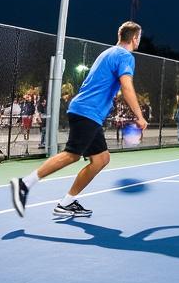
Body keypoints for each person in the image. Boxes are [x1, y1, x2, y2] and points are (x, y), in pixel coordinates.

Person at [10, 22, 148, 219]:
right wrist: (140, 116)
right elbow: (127, 87)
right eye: (139, 37)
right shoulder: (125, 56)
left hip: (88, 111)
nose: (139, 40)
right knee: (71, 155)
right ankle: (24, 184)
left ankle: (65, 203)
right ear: (135, 38)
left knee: (101, 159)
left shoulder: (108, 53)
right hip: (87, 111)